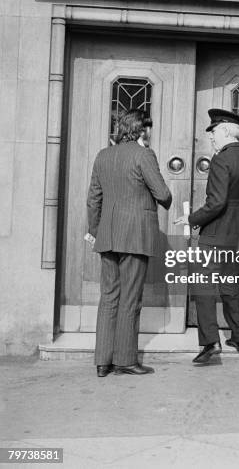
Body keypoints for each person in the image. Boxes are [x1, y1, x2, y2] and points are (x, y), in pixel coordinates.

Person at [175, 108, 239, 364]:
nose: (212, 137)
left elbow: (216, 203)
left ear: (227, 131)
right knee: (230, 286)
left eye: (214, 132)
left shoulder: (221, 160)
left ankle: (210, 342)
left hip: (216, 232)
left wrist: (192, 219)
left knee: (203, 286)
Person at [87, 109, 172, 377]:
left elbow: (93, 200)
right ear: (141, 129)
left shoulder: (103, 155)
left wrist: (96, 231)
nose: (150, 134)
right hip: (135, 235)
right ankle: (125, 360)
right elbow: (163, 194)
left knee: (109, 297)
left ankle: (103, 361)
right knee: (130, 299)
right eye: (149, 128)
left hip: (108, 235)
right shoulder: (143, 154)